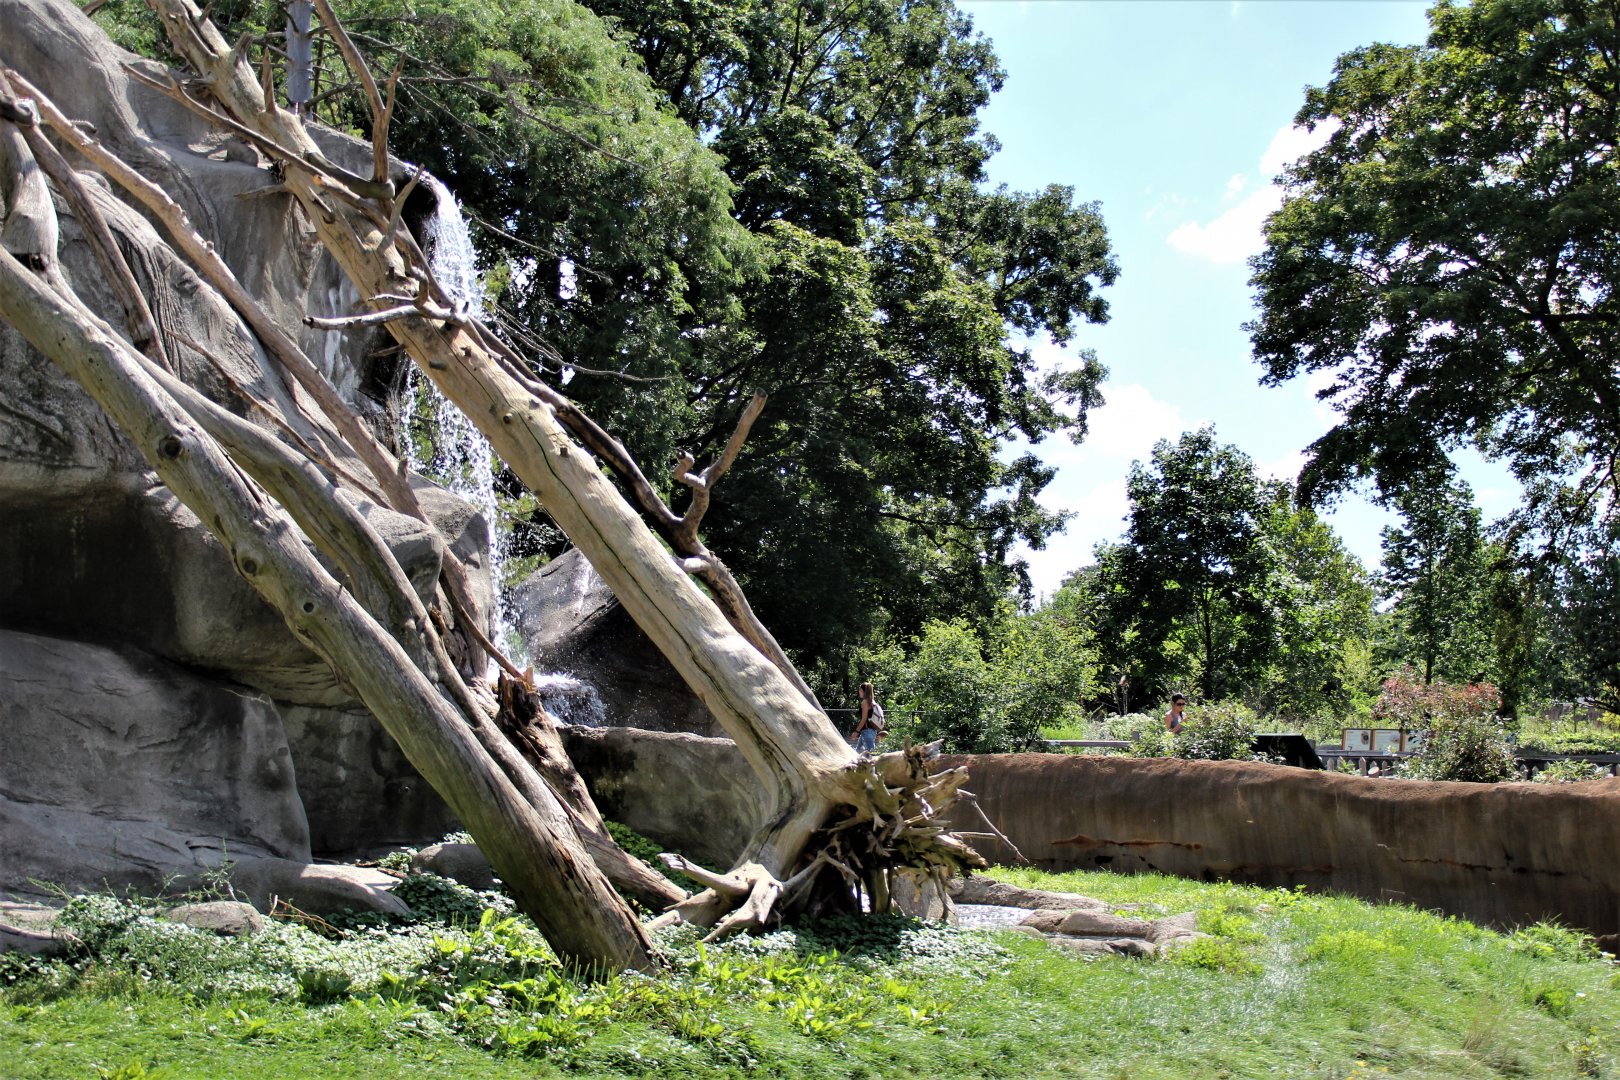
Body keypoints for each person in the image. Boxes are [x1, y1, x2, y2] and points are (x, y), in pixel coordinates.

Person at [851, 681, 884, 752]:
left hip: (867, 731)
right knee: (856, 752)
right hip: (871, 731)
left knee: (870, 753)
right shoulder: (872, 701)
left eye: (860, 690)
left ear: (863, 691)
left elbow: (864, 719)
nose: (859, 692)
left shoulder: (865, 702)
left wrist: (856, 731)